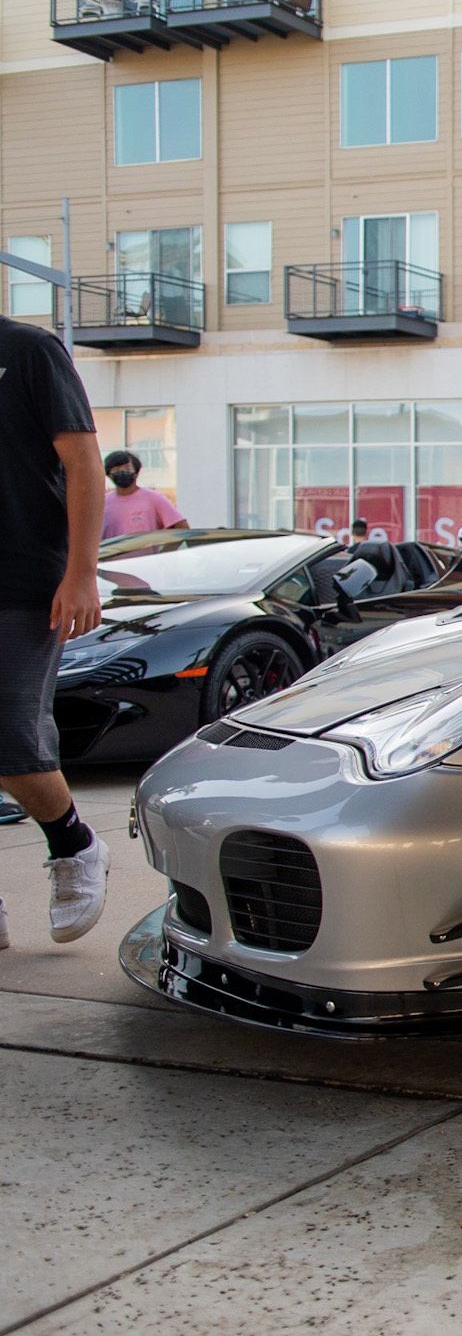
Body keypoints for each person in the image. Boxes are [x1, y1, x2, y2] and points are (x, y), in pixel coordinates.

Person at [0, 314, 112, 951]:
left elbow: (83, 462)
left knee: (11, 729)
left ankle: (75, 845)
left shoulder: (29, 350)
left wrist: (82, 573)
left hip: (24, 578)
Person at [100, 448, 185, 538]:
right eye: (116, 470)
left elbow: (181, 527)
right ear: (108, 474)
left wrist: (165, 550)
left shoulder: (154, 498)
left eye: (127, 468)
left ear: (136, 472)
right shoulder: (102, 503)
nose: (122, 472)